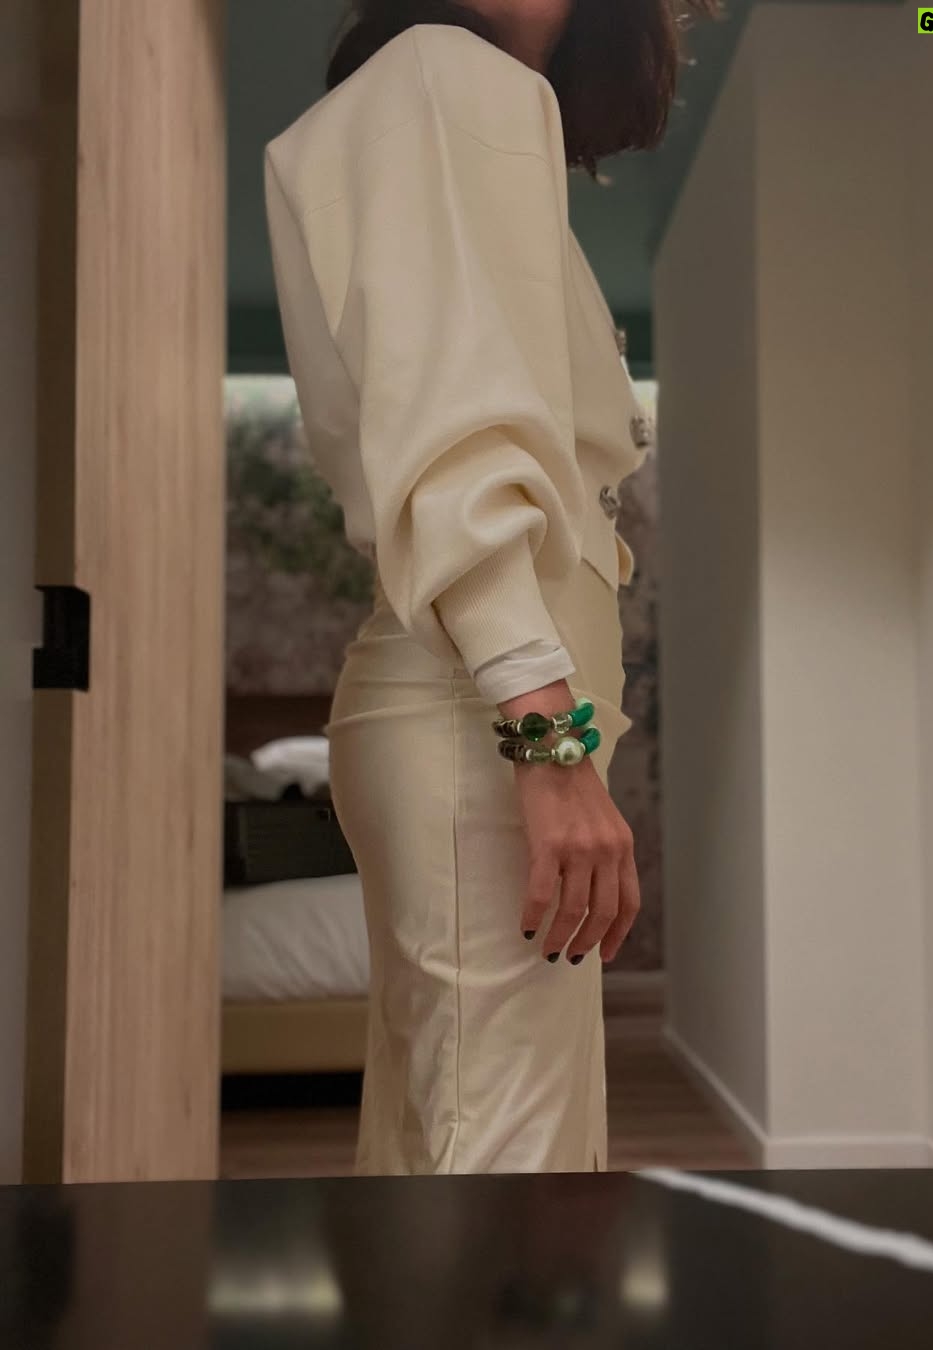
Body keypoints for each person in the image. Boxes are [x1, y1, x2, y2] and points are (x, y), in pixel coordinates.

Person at [263, 0, 722, 1175]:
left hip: (477, 700)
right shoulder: (446, 78)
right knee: (509, 1168)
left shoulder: (445, 94)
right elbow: (455, 436)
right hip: (487, 712)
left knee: (454, 1152)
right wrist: (551, 747)